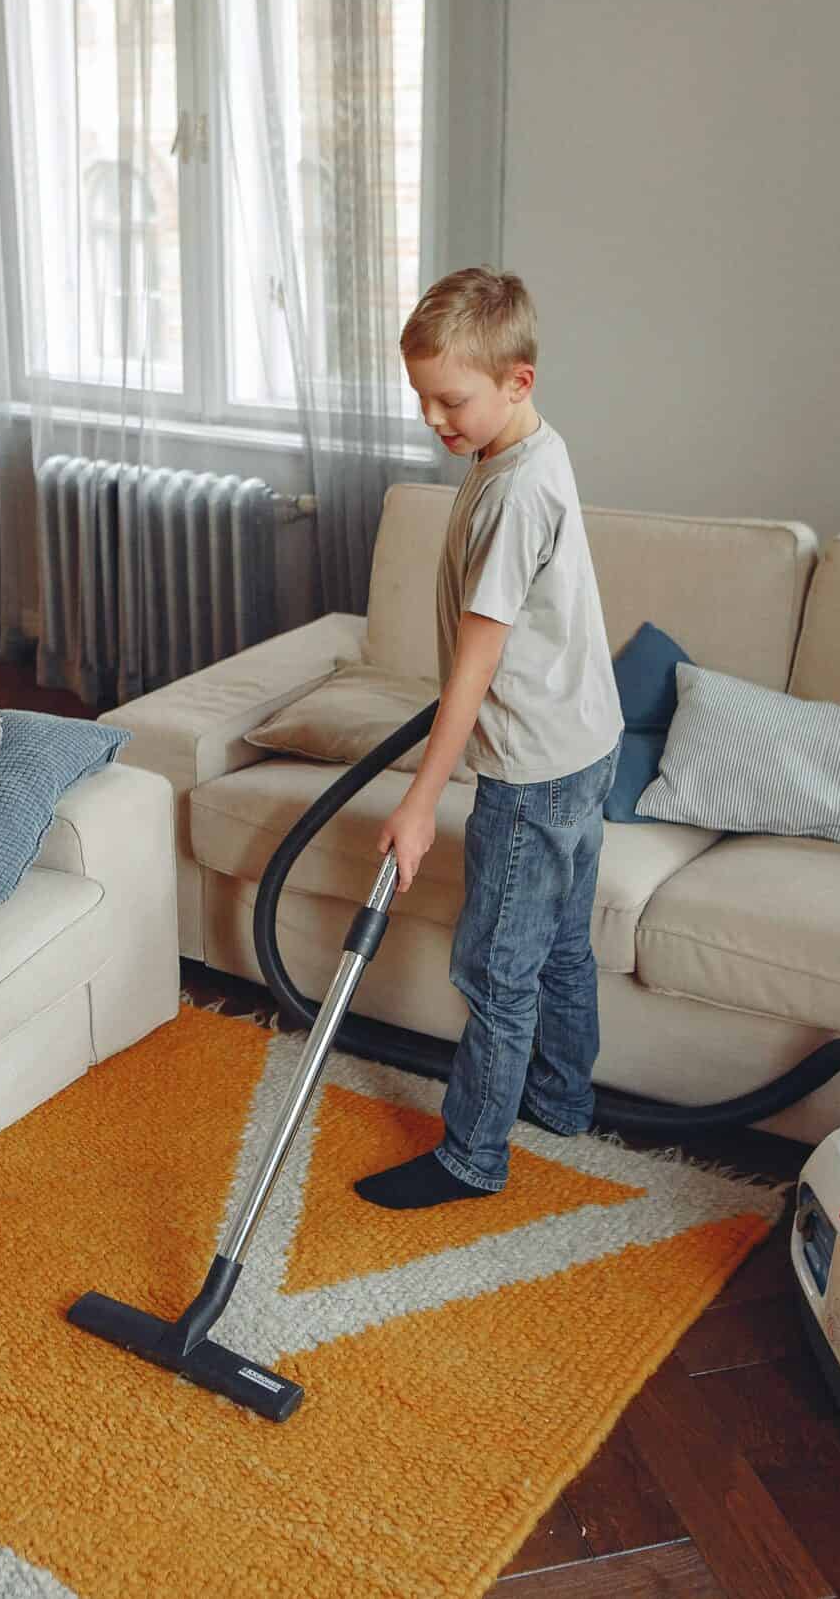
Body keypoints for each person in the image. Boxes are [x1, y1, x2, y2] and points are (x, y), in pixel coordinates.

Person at [359, 267, 624, 1209]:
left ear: (519, 380)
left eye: (452, 398)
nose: (435, 417)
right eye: (423, 396)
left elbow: (474, 669)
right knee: (559, 946)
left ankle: (472, 1158)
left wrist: (420, 803)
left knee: (496, 967)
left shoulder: (515, 494)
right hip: (588, 739)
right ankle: (560, 1101)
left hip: (535, 766)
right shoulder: (524, 453)